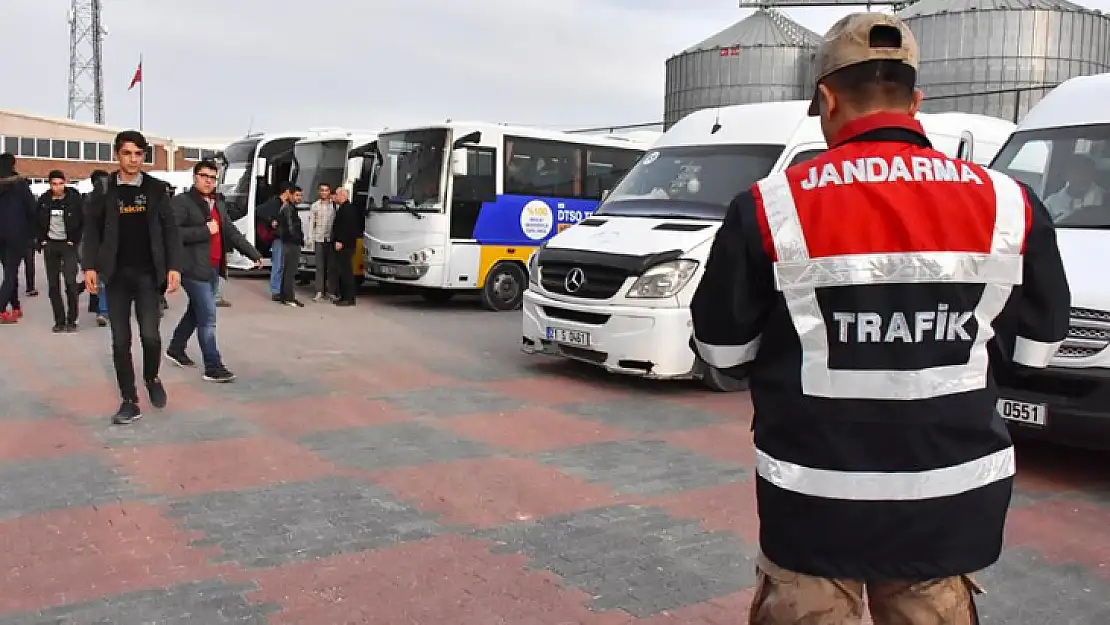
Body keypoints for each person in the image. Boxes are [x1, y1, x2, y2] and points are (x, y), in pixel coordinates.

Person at [689, 13, 1071, 625]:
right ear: (916, 101)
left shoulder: (769, 206)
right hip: (948, 504)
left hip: (812, 506)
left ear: (827, 99)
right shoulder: (1010, 204)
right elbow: (1036, 351)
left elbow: (721, 352)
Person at [83, 130, 183, 425]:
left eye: (138, 154)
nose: (133, 159)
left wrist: (173, 267)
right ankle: (129, 400)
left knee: (150, 337)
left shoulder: (156, 190)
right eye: (127, 153)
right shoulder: (104, 190)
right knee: (120, 340)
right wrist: (89, 266)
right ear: (117, 155)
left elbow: (170, 231)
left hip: (148, 275)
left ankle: (151, 377)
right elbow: (92, 231)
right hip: (116, 276)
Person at [166, 160, 262, 382]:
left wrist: (253, 253)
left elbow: (230, 231)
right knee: (208, 317)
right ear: (195, 177)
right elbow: (172, 234)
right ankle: (213, 366)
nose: (208, 181)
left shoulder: (217, 202)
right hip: (192, 269)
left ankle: (175, 348)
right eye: (204, 176)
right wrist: (203, 230)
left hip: (213, 267)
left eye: (212, 177)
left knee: (196, 312)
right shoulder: (181, 202)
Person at [36, 170, 84, 332]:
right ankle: (59, 320)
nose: (58, 187)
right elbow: (36, 220)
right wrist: (42, 240)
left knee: (70, 282)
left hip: (68, 245)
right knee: (53, 285)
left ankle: (72, 319)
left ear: (65, 183)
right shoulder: (44, 200)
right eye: (54, 184)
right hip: (51, 244)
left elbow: (82, 220)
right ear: (50, 185)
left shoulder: (73, 199)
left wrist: (74, 240)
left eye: (60, 184)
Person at [0, 153, 36, 324]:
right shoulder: (19, 184)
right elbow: (32, 208)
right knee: (11, 273)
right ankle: (0, 309)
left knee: (9, 271)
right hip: (16, 234)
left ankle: (15, 306)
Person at [331, 187, 361, 306]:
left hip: (345, 245)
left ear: (343, 195)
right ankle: (343, 296)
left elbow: (347, 228)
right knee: (342, 271)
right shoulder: (343, 208)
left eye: (337, 194)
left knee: (346, 272)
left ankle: (349, 298)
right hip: (344, 245)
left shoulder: (348, 209)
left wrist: (340, 241)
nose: (335, 197)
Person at [307, 182, 337, 302]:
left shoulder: (333, 206)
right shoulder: (315, 206)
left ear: (329, 192)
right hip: (319, 239)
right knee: (319, 266)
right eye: (322, 190)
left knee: (331, 266)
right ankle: (319, 291)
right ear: (319, 192)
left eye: (326, 190)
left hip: (330, 239)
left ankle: (331, 291)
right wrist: (310, 238)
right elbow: (311, 223)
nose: (324, 192)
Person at [277, 185, 305, 307]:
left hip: (289, 242)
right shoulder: (288, 208)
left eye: (301, 196)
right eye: (297, 195)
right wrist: (297, 239)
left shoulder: (290, 207)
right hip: (291, 243)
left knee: (287, 270)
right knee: (290, 271)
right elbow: (290, 227)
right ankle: (289, 297)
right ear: (291, 195)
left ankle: (285, 296)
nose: (299, 198)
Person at [257, 187, 286, 302]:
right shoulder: (275, 203)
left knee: (281, 264)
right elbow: (260, 211)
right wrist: (271, 221)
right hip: (278, 237)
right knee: (277, 264)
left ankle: (279, 289)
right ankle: (276, 291)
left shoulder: (285, 203)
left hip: (284, 237)